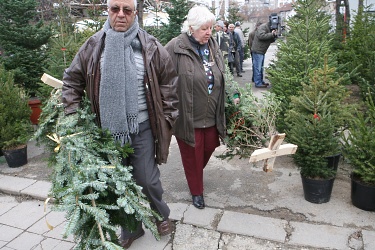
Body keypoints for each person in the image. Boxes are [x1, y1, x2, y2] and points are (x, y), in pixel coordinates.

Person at [61, 0, 179, 248]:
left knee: (147, 180)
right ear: (108, 11)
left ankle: (161, 215)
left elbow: (169, 82)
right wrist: (72, 113)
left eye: (127, 10)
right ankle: (131, 228)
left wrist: (169, 117)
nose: (121, 15)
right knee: (117, 182)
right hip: (107, 131)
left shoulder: (150, 45)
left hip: (143, 126)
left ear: (135, 13)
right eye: (116, 9)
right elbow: (72, 80)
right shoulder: (94, 45)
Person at [165, 6, 239, 209]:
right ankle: (197, 191)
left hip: (212, 113)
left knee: (209, 147)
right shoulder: (175, 46)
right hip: (188, 116)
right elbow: (160, 73)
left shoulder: (212, 45)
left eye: (211, 28)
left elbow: (224, 73)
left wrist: (233, 94)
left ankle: (195, 173)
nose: (209, 32)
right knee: (192, 156)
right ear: (191, 27)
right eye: (204, 28)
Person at [251, 17, 277, 88]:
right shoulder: (263, 27)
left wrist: (274, 36)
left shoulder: (269, 28)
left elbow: (269, 40)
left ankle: (260, 81)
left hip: (261, 51)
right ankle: (258, 83)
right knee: (258, 68)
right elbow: (261, 36)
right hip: (257, 50)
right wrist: (271, 34)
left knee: (260, 68)